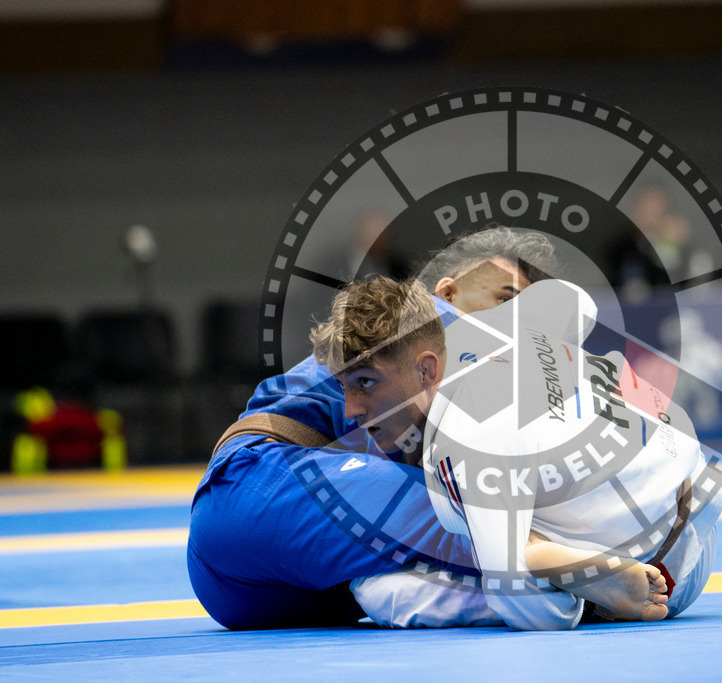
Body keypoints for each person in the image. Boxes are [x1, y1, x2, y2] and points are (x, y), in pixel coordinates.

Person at [187, 226, 558, 630]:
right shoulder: (437, 324)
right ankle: (593, 582)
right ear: (449, 292)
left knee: (402, 585)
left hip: (257, 590)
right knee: (494, 526)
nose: (514, 322)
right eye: (505, 300)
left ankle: (578, 589)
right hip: (255, 484)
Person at [318, 277, 722, 630]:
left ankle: (570, 575)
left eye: (366, 383)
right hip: (689, 466)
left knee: (377, 590)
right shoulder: (484, 325)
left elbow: (531, 609)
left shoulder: (464, 438)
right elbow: (577, 301)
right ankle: (534, 543)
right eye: (343, 386)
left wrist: (574, 598)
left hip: (665, 578)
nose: (351, 410)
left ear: (426, 369)